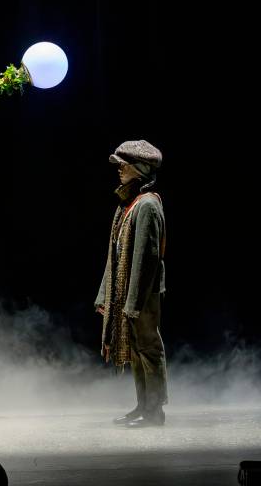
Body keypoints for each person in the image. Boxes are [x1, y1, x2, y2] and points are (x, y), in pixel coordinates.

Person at [95, 139, 167, 428]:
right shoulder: (128, 204)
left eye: (123, 166)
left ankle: (154, 411)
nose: (119, 170)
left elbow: (145, 260)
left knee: (148, 348)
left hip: (143, 293)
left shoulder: (147, 205)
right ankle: (142, 406)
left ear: (138, 169)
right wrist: (105, 296)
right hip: (128, 292)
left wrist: (133, 303)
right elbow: (114, 256)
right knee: (136, 350)